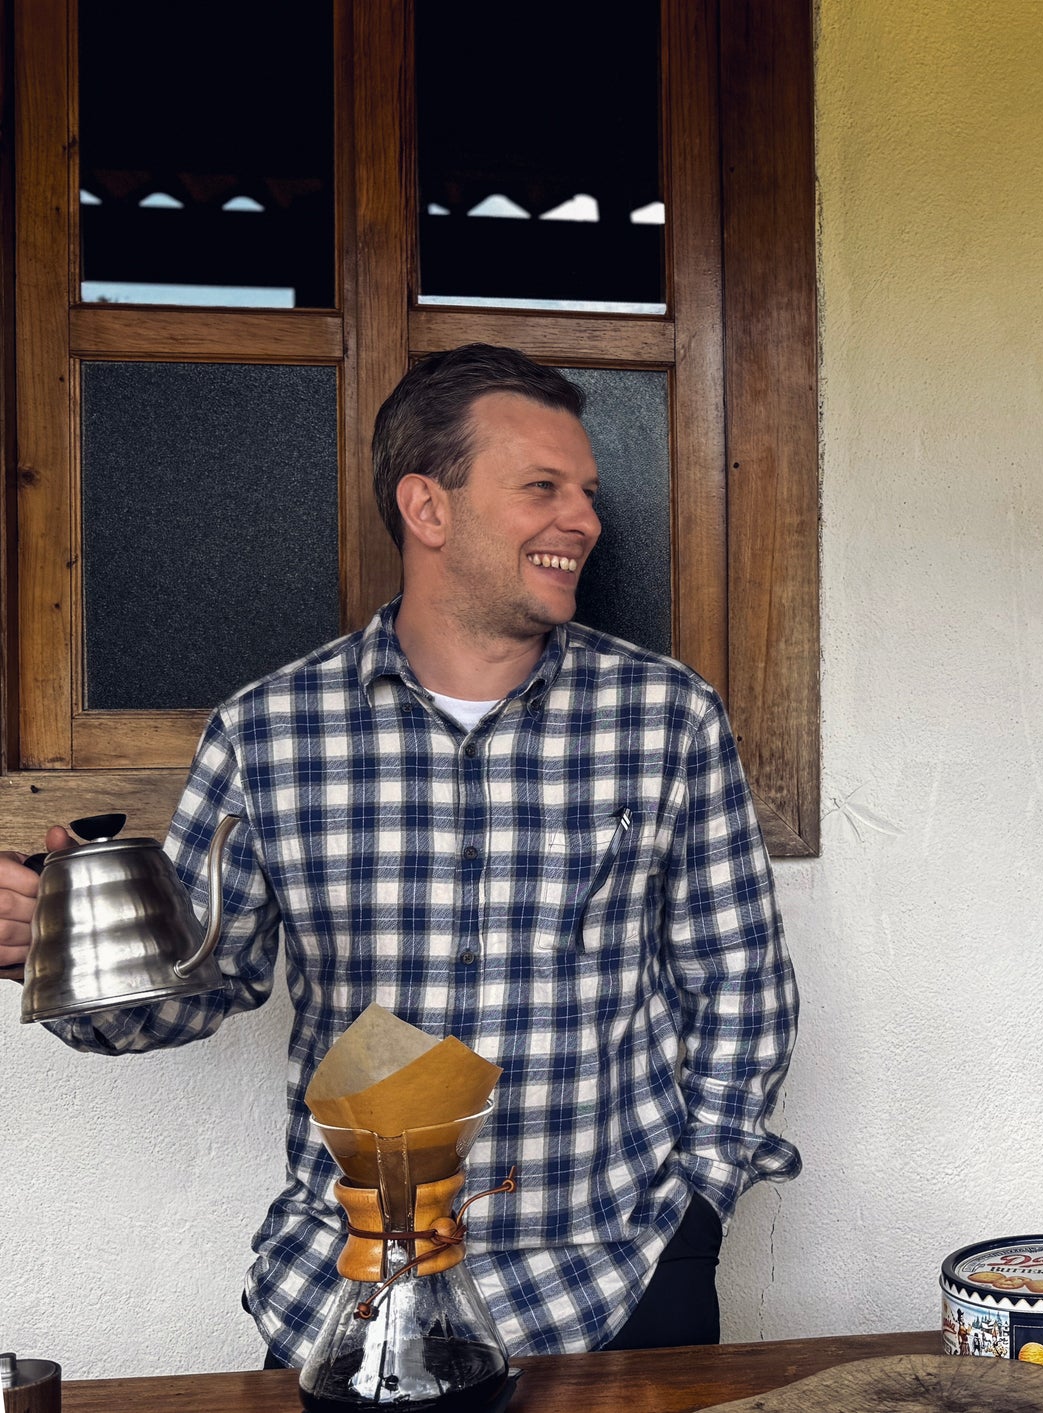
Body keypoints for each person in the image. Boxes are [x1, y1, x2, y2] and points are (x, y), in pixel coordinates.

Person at [0, 344, 801, 1363]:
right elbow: (194, 987)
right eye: (542, 488)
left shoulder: (667, 719)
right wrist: (54, 952)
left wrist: (699, 1207)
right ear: (427, 508)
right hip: (350, 1296)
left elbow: (739, 984)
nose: (585, 520)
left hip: (618, 1280)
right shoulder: (268, 732)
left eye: (587, 492)